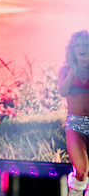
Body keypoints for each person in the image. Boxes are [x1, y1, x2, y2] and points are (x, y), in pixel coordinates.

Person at [58, 30, 89, 196]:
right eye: (78, 45)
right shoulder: (65, 70)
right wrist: (73, 69)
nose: (82, 48)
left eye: (85, 45)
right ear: (72, 49)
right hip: (75, 125)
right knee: (82, 171)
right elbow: (63, 91)